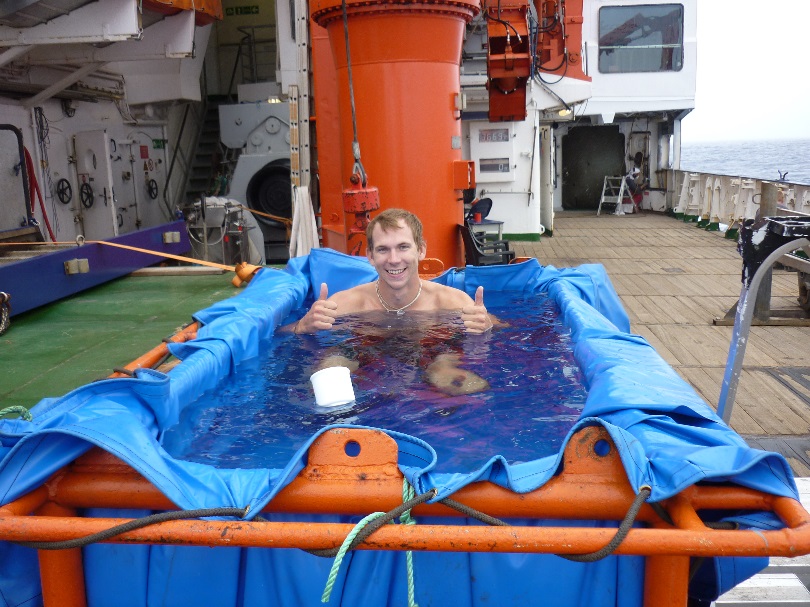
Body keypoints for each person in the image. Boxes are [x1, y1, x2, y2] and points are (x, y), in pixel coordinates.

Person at [290, 208, 494, 395]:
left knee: (446, 376)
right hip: (363, 346)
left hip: (434, 348)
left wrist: (488, 324)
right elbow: (282, 333)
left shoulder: (451, 301)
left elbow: (497, 324)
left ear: (420, 250)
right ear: (370, 255)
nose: (394, 259)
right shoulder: (346, 302)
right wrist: (303, 325)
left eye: (403, 247)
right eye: (383, 249)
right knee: (329, 372)